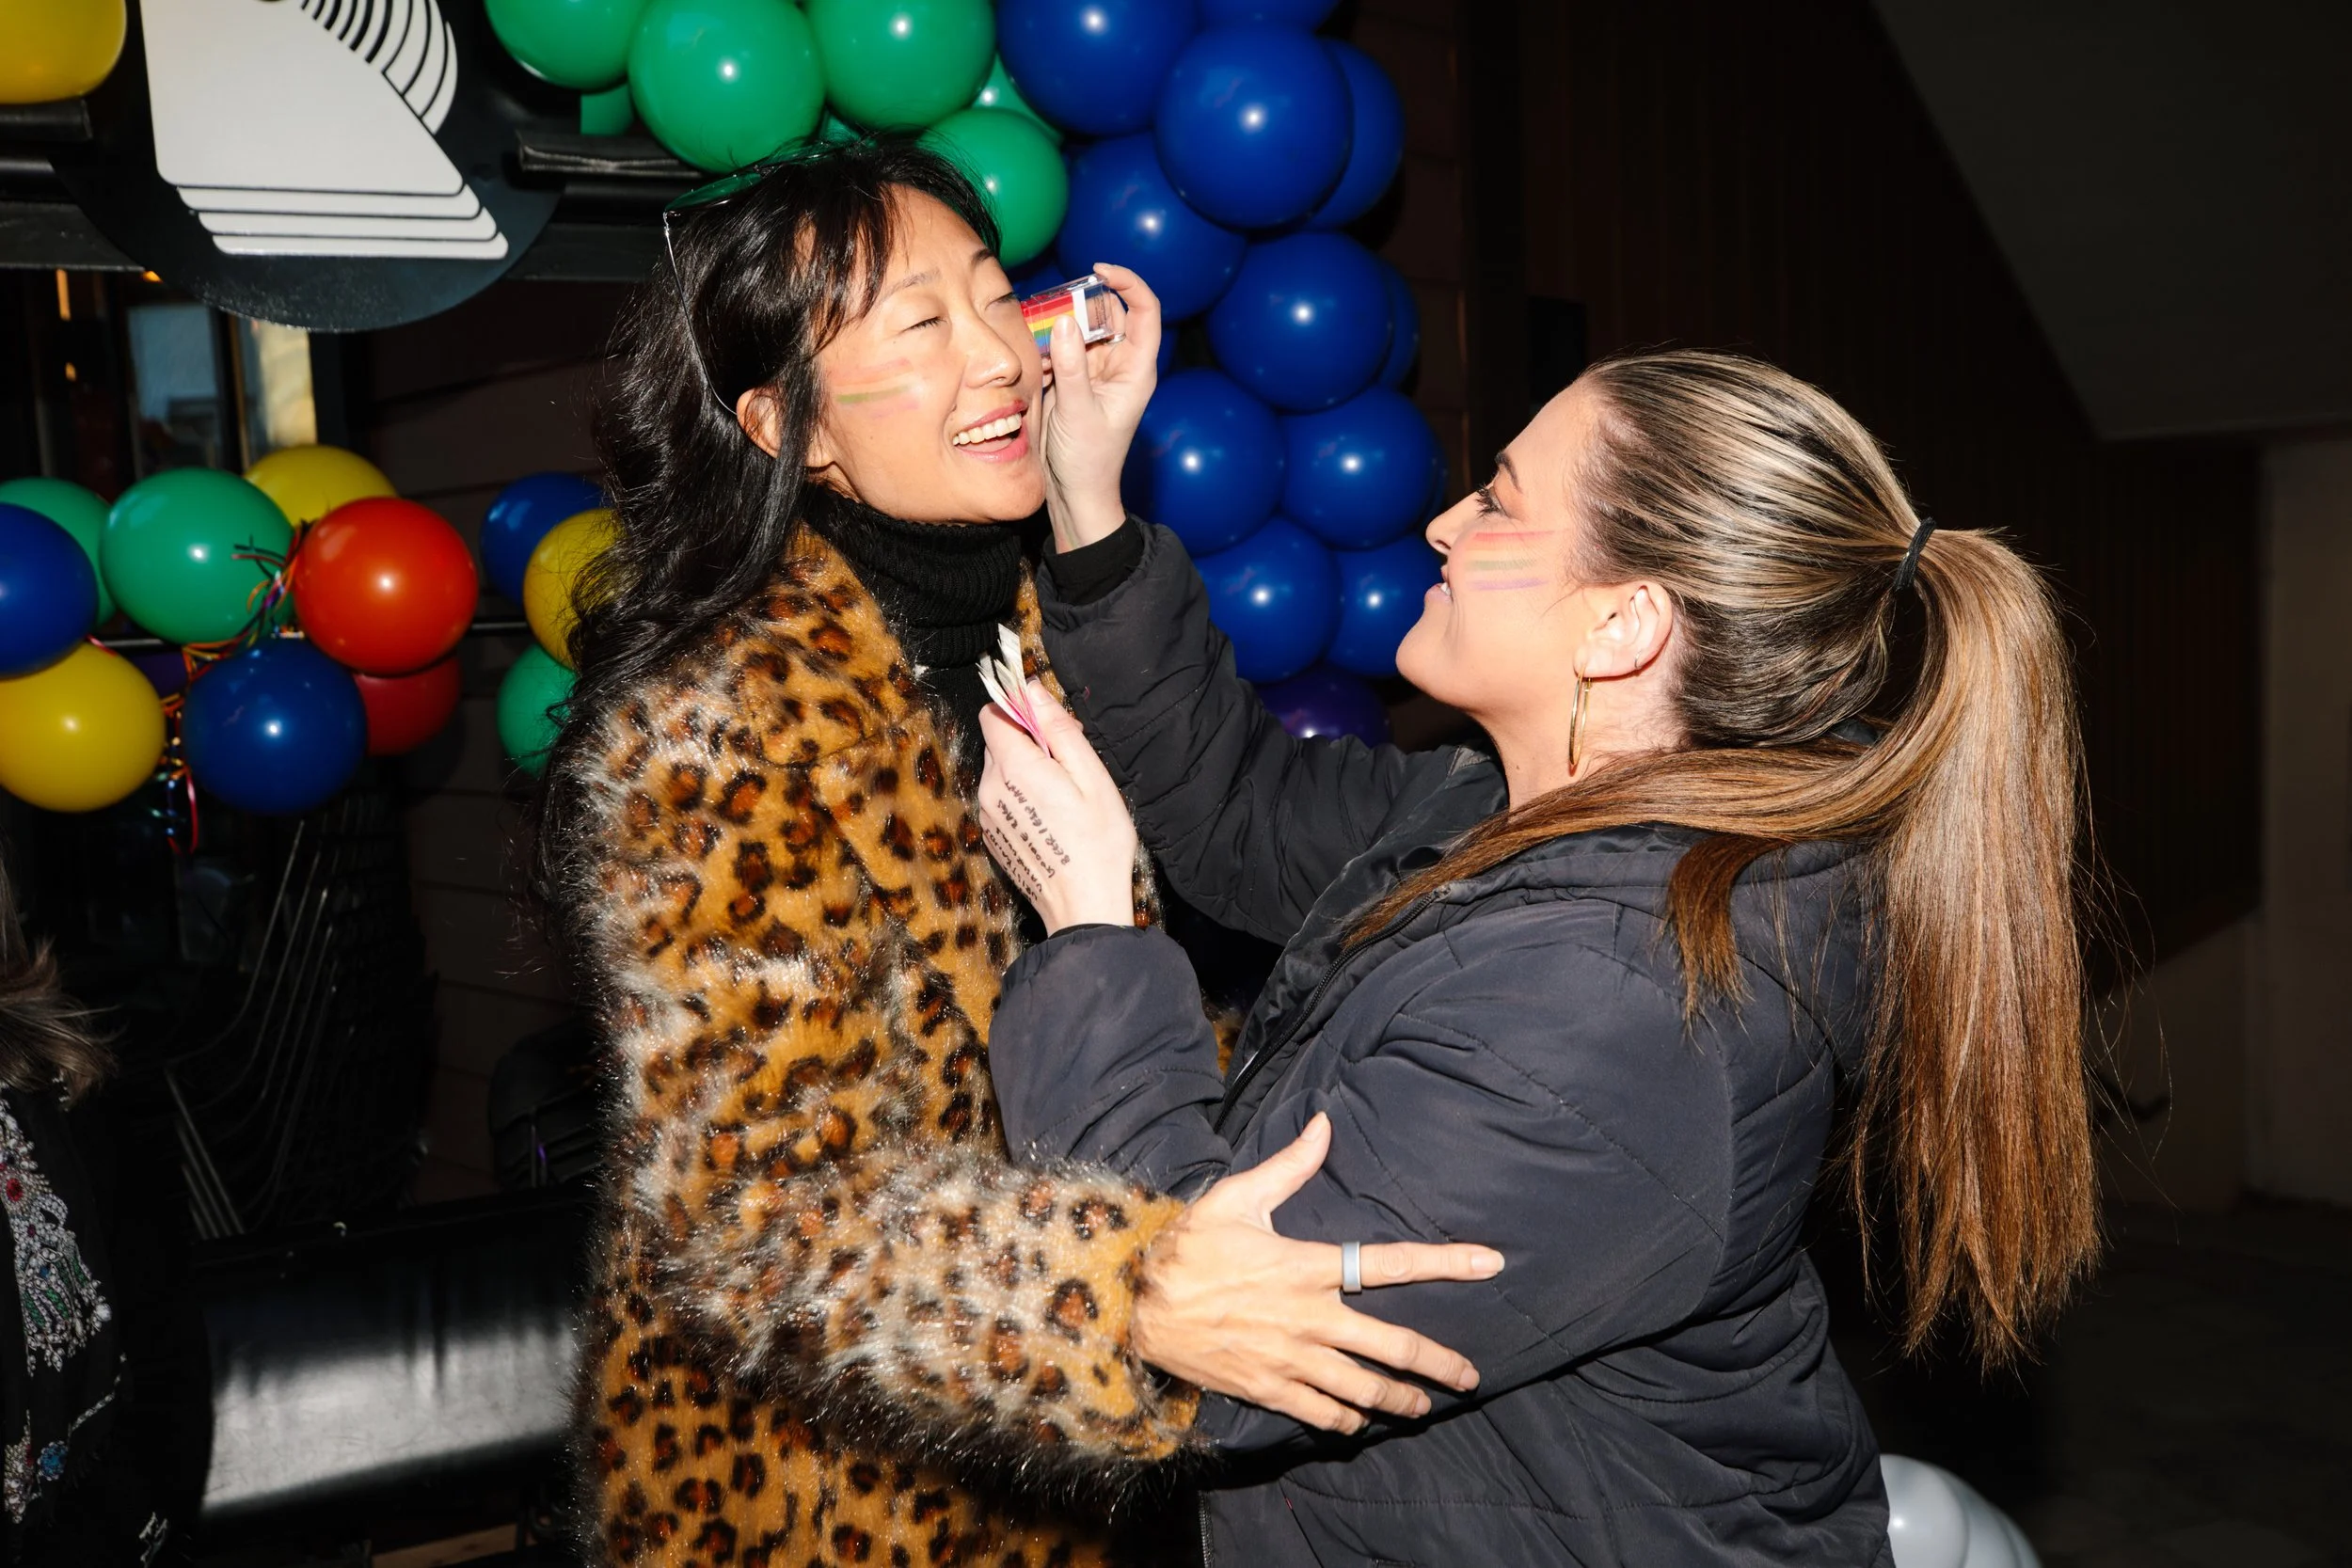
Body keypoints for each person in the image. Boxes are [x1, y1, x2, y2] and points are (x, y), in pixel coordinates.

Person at [974, 341, 2103, 1563]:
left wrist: (1086, 922)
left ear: (1626, 624)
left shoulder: (1621, 1009)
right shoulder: (1516, 810)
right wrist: (1089, 505)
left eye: (1504, 498)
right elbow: (1243, 808)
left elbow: (1214, 1332)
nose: (1451, 519)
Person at [532, 139, 1490, 1568]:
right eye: (922, 326)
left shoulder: (1049, 630)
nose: (1002, 358)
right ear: (788, 423)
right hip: (834, 1499)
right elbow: (761, 1220)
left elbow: (1221, 870)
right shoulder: (713, 722)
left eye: (997, 299)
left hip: (1109, 1480)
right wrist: (1127, 1300)